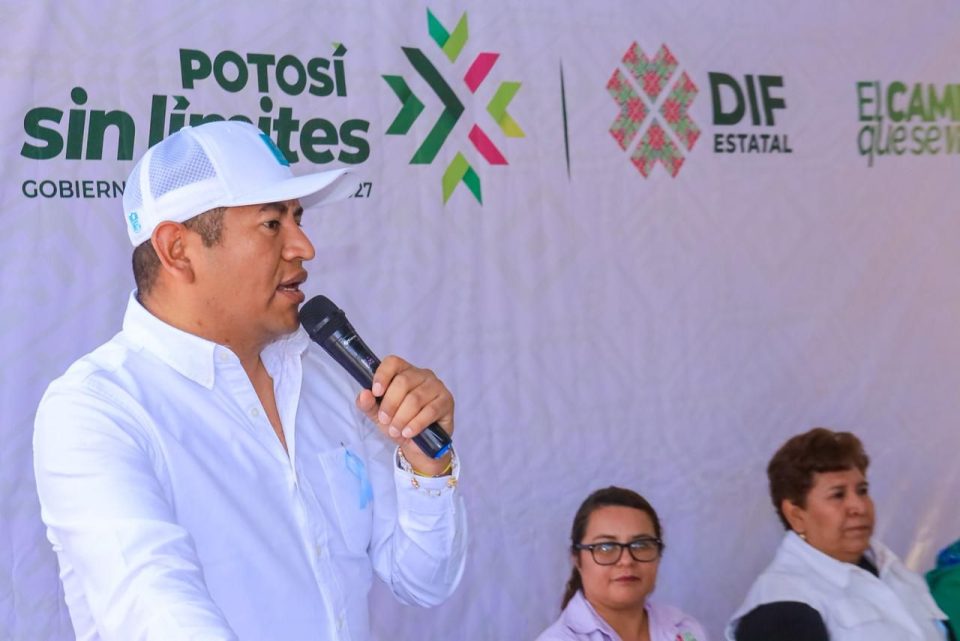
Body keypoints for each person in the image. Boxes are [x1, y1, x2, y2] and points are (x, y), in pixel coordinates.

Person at [33, 121, 466, 641]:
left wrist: (426, 466)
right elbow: (158, 614)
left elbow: (424, 580)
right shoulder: (97, 410)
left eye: (298, 219)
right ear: (177, 249)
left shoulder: (328, 379)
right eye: (271, 223)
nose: (304, 247)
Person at [727, 427, 950, 641]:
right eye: (838, 495)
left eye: (862, 491)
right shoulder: (780, 605)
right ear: (796, 515)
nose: (859, 507)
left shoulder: (895, 572)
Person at [536, 486, 707, 641]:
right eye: (606, 547)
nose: (626, 561)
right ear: (577, 559)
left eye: (641, 545)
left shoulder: (684, 629)